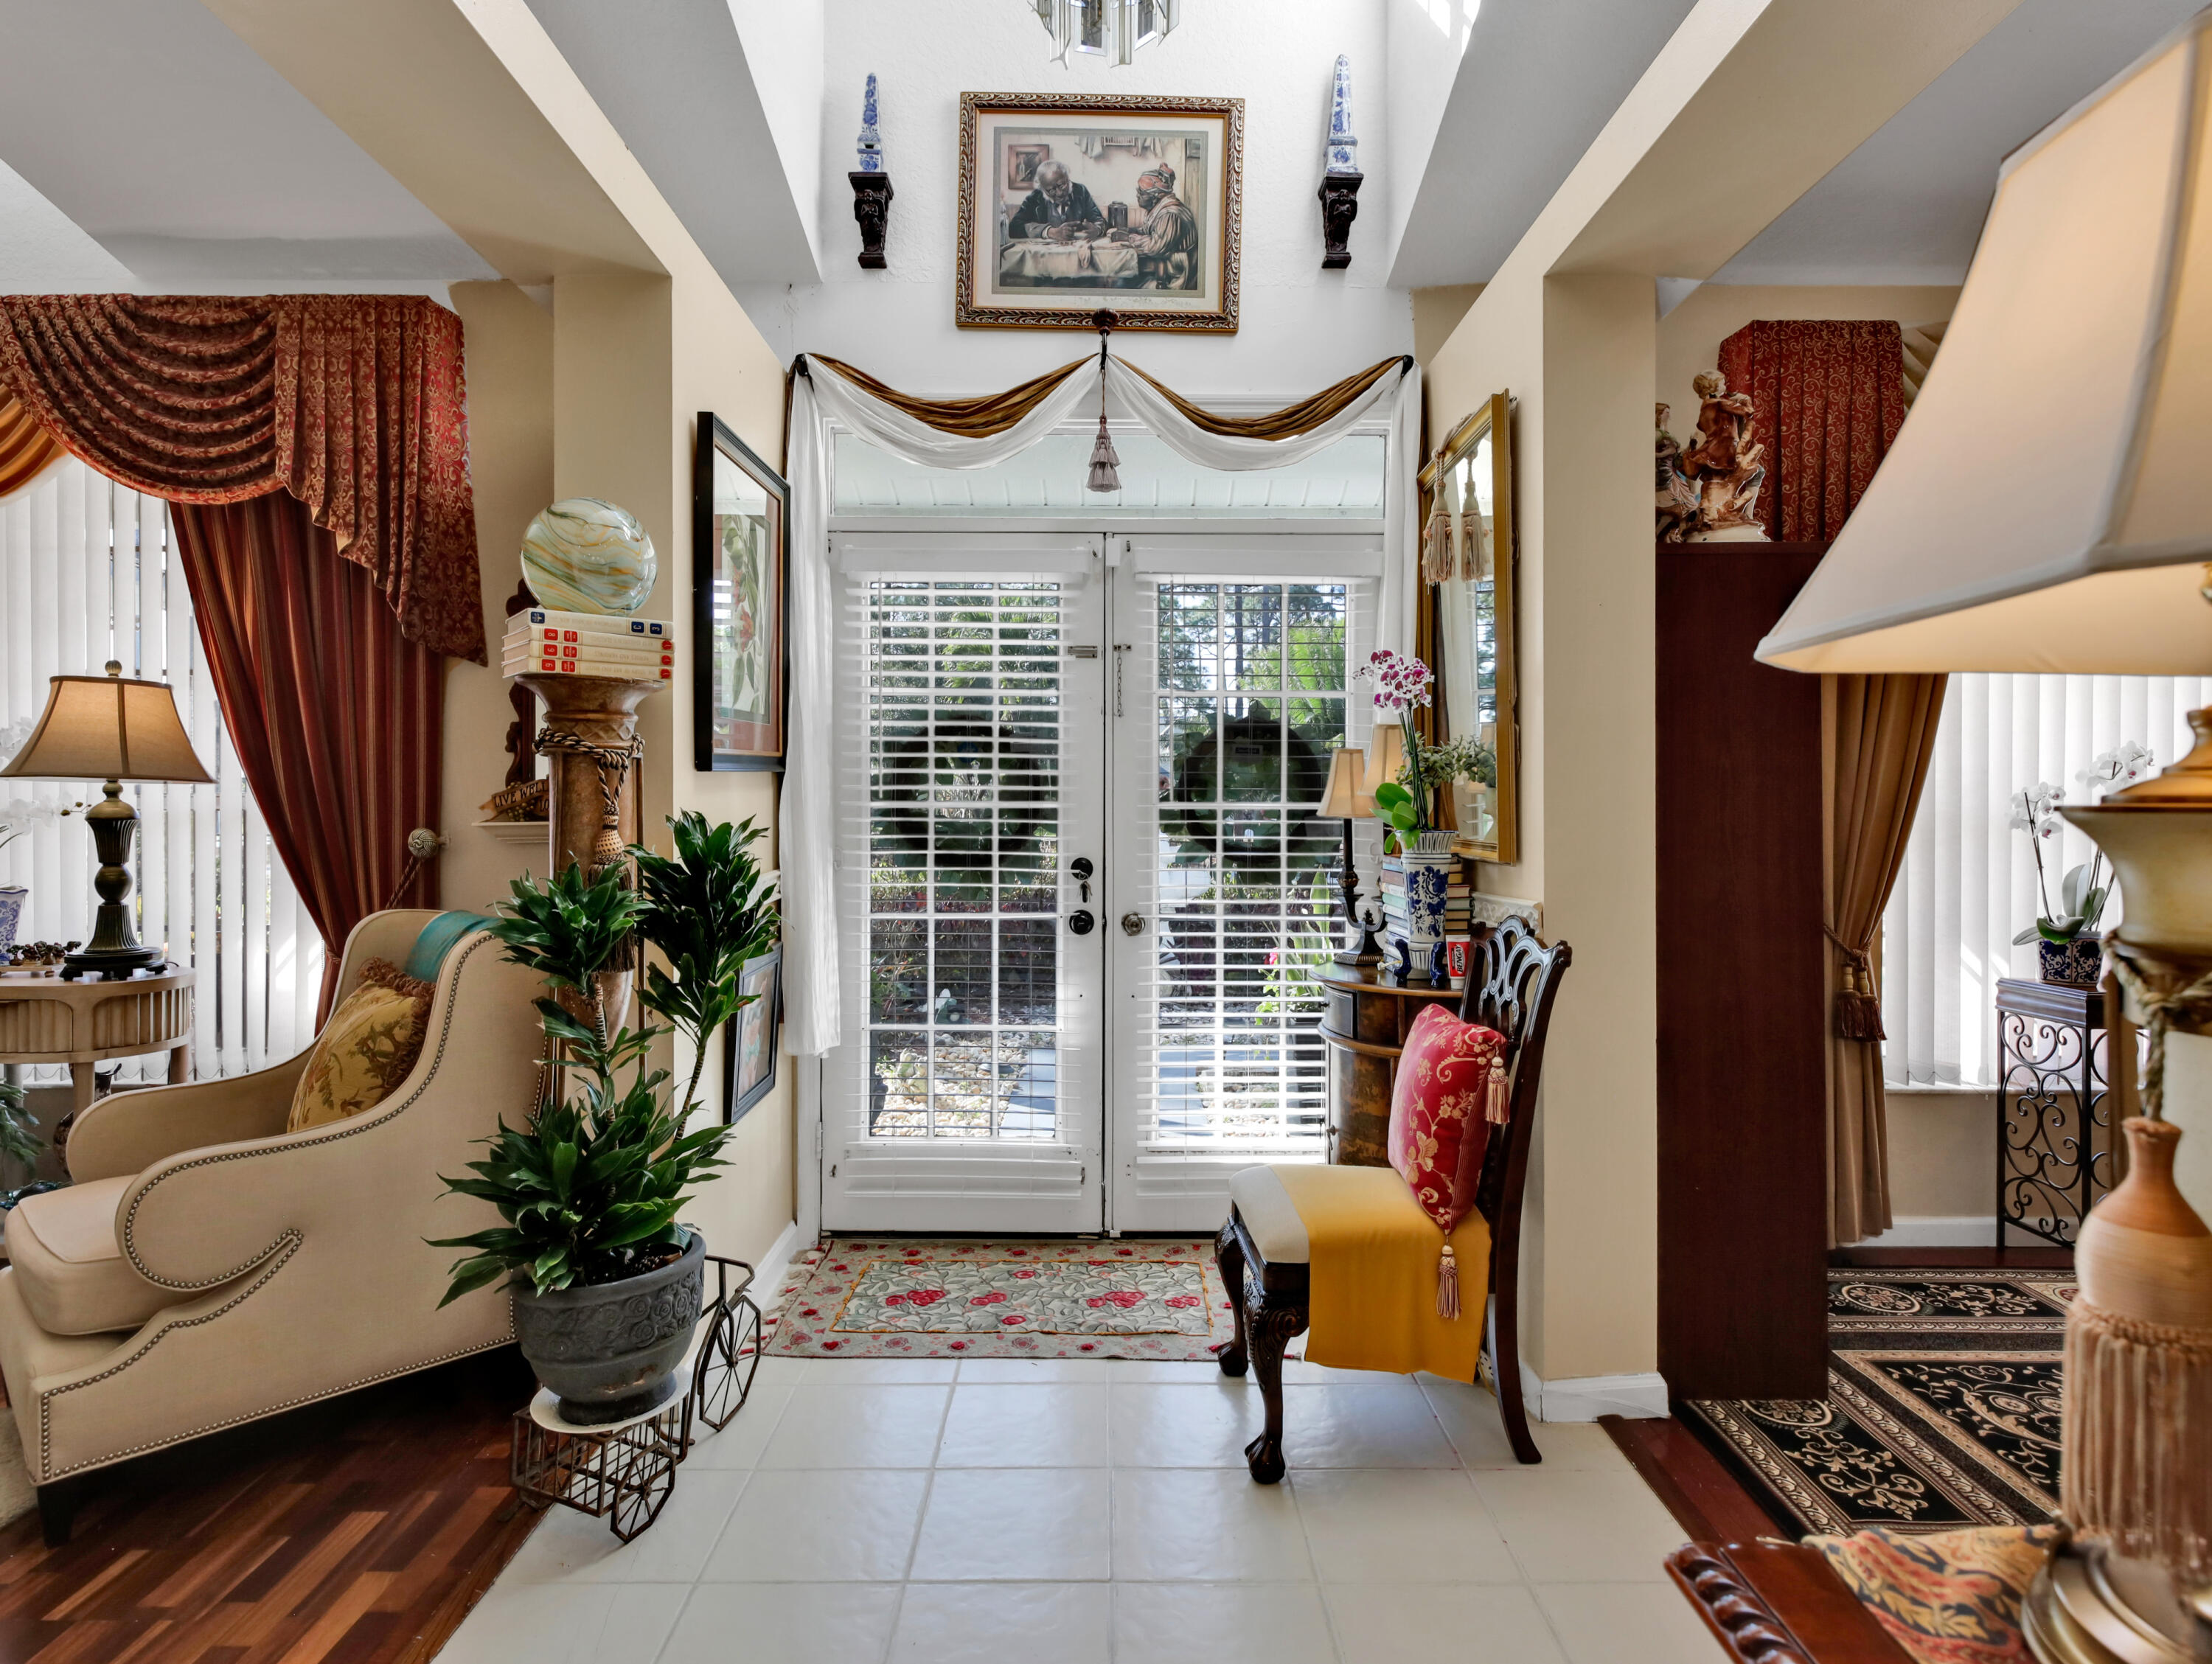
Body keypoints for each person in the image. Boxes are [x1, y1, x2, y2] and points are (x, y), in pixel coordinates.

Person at [1109, 165, 1199, 288]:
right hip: (1164, 269)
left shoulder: (1170, 214)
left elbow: (1155, 247)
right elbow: (1150, 232)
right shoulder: (1158, 209)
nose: (1138, 196)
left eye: (1142, 193)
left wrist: (1128, 238)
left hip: (1176, 275)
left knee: (1122, 284)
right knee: (1121, 280)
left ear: (1157, 196)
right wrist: (1129, 231)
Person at [1008, 160, 1103, 244]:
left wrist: (1097, 230)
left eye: (1062, 185)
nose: (1059, 193)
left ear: (1067, 178)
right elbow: (1014, 228)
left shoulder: (1080, 190)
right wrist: (1050, 232)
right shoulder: (1035, 197)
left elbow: (1099, 220)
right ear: (1043, 189)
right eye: (1051, 190)